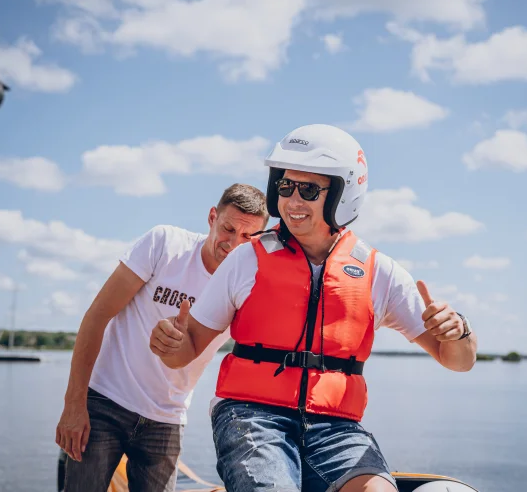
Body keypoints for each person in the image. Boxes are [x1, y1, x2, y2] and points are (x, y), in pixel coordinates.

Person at [150, 124, 478, 492]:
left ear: (343, 193)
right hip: (251, 417)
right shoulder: (246, 260)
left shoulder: (378, 272)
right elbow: (186, 350)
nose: (293, 201)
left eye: (308, 190)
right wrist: (171, 344)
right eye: (285, 187)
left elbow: (458, 361)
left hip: (336, 427)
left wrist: (458, 330)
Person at [56, 183, 269, 492]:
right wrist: (73, 405)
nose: (234, 243)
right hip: (105, 403)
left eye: (247, 237)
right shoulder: (164, 244)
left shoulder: (247, 285)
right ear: (212, 217)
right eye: (228, 228)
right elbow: (96, 316)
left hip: (167, 418)